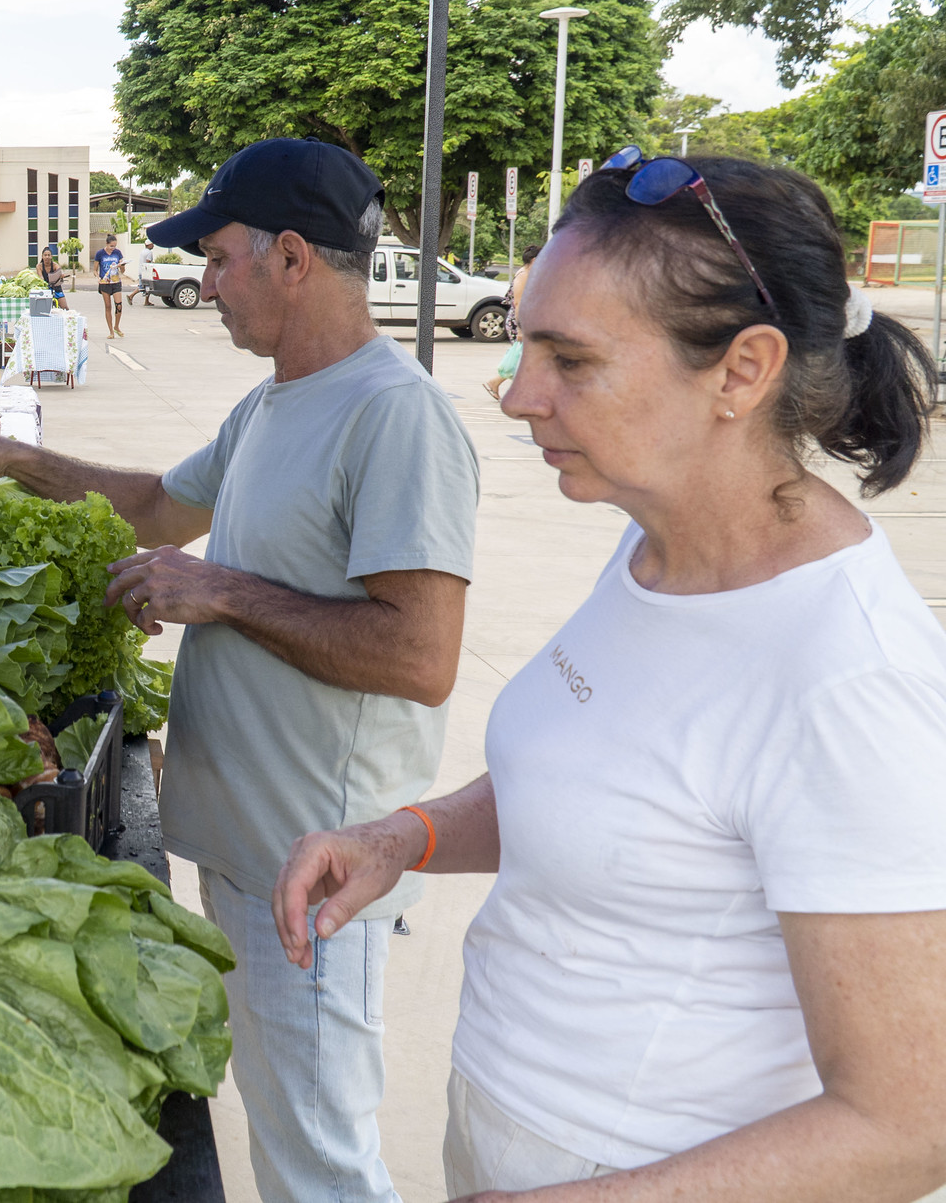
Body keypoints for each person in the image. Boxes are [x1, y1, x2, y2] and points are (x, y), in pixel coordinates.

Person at [274, 153, 946, 1203]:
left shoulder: (846, 679)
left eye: (569, 360)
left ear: (740, 370)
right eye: (522, 344)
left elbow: (906, 1124)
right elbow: (615, 790)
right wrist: (405, 836)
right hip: (510, 1133)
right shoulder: (652, 548)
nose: (516, 398)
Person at [0, 138, 477, 1203]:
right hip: (251, 848)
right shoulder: (269, 405)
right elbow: (158, 509)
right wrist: (10, 457)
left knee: (318, 1159)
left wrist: (218, 592)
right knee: (280, 1126)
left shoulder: (394, 416)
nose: (201, 284)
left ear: (292, 256)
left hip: (313, 861)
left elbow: (418, 654)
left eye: (216, 259)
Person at [483, 242, 540, 400]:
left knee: (527, 358)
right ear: (535, 260)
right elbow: (518, 303)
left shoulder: (531, 274)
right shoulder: (522, 276)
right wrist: (521, 330)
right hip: (519, 322)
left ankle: (496, 383)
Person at [95, 232, 128, 336]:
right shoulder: (100, 254)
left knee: (119, 305)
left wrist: (122, 265)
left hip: (116, 282)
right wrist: (98, 277)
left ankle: (116, 326)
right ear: (106, 244)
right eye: (111, 246)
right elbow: (95, 269)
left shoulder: (118, 253)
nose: (113, 248)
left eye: (114, 246)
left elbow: (123, 271)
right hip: (105, 282)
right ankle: (110, 331)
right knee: (108, 306)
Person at [39, 243, 70, 309]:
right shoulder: (39, 266)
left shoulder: (55, 265)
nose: (47, 257)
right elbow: (40, 277)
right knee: (44, 308)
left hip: (56, 287)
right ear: (42, 256)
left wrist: (61, 276)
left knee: (65, 307)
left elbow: (59, 273)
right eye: (45, 255)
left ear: (51, 256)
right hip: (45, 288)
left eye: (48, 255)